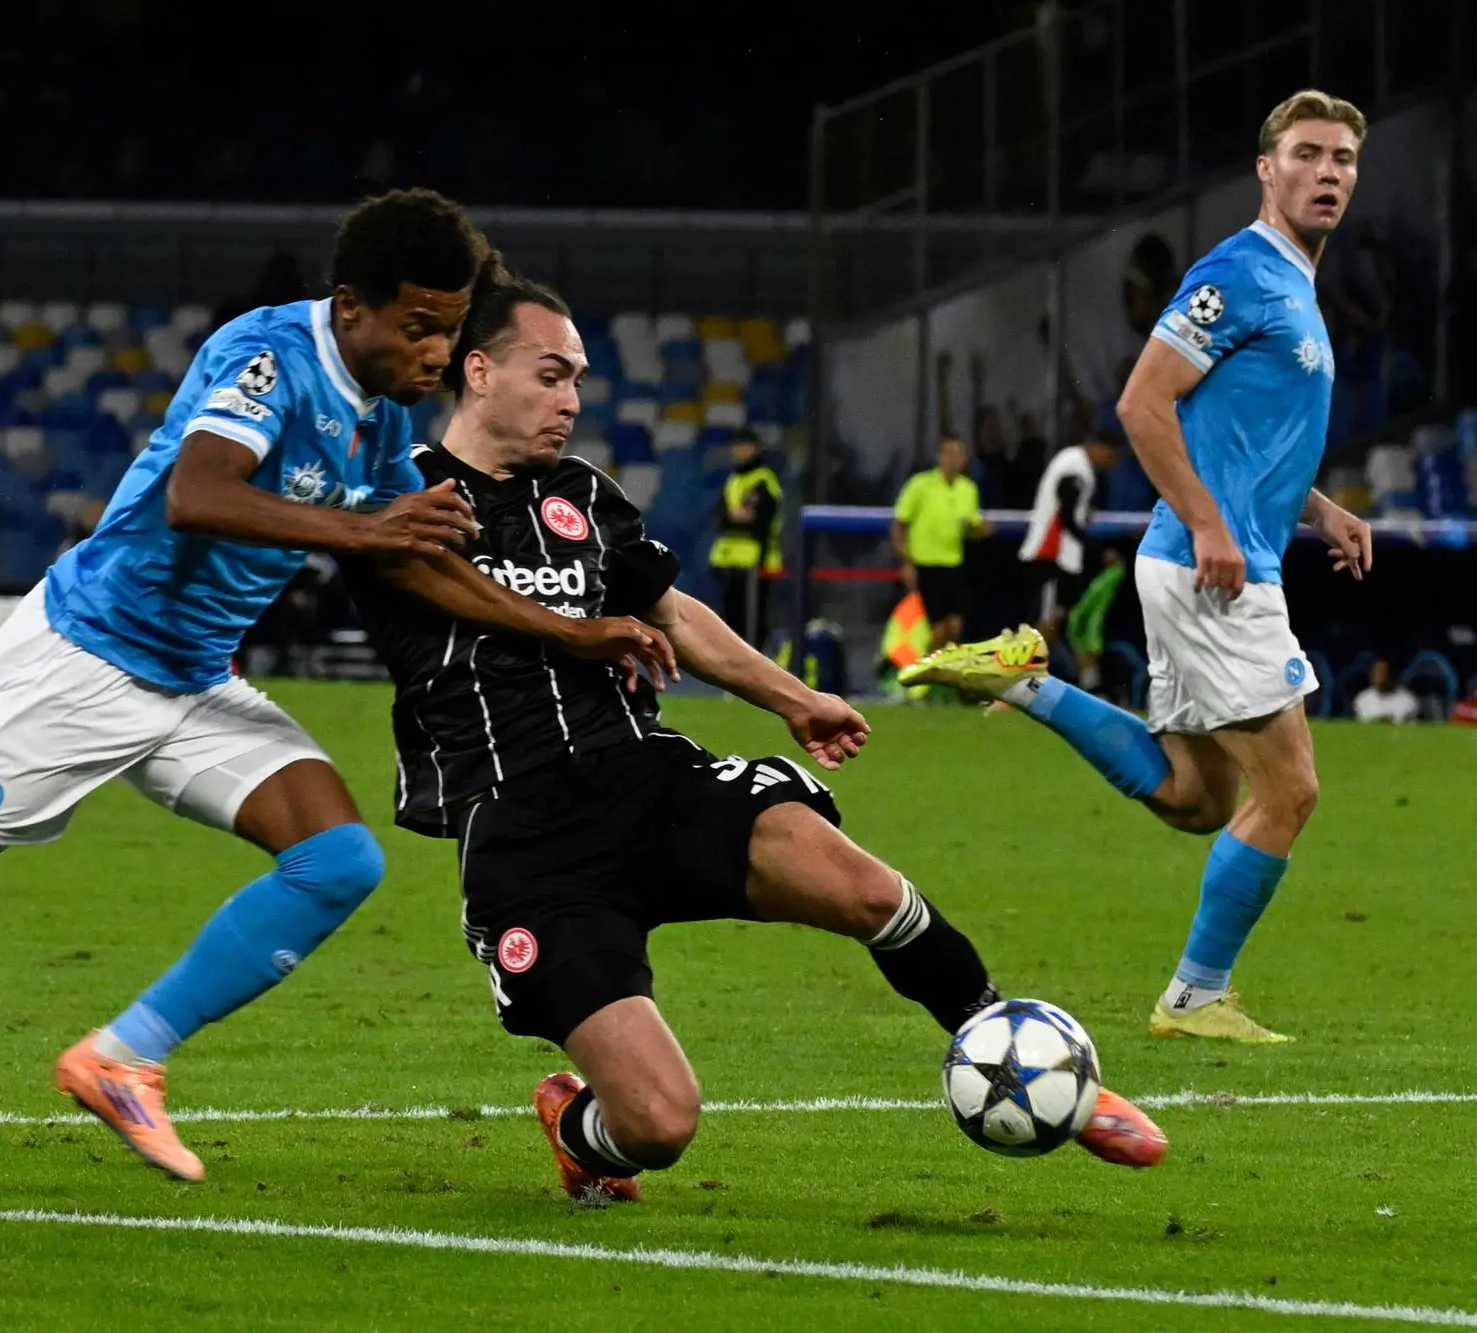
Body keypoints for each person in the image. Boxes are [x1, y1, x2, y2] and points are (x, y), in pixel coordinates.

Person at [0, 190, 674, 1188]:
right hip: (85, 657)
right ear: (351, 308)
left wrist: (574, 632)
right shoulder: (268, 356)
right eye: (418, 326)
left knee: (337, 858)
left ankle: (124, 1055)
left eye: (449, 328)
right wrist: (361, 528)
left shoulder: (380, 419)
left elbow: (410, 559)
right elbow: (199, 495)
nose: (436, 352)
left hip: (191, 682)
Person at [343, 265, 1166, 1203]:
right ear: (479, 370)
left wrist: (792, 697)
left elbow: (675, 613)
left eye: (577, 379)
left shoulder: (585, 496)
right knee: (658, 1124)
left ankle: (1028, 1061)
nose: (569, 399)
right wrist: (580, 632)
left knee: (867, 889)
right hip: (525, 835)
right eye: (550, 374)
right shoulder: (400, 496)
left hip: (644, 780)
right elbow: (417, 575)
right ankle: (579, 1128)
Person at [901, 90, 1374, 1044]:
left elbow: (1242, 438)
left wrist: (1317, 508)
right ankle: (1194, 998)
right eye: (1306, 154)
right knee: (1289, 790)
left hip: (1211, 559)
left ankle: (1025, 684)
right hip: (1214, 570)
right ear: (1265, 170)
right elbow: (1140, 403)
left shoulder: (1291, 282)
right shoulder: (1236, 272)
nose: (1326, 173)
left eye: (1342, 159)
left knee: (1197, 798)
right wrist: (1207, 524)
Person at [1016, 430, 1123, 687]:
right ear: (1099, 448)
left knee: (1058, 619)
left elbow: (1069, 509)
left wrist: (1084, 513)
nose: (1113, 463)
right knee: (1045, 622)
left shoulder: (1075, 464)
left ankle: (1040, 681)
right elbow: (1067, 518)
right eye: (1112, 455)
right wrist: (1100, 551)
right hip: (1050, 555)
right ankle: (1020, 681)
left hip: (1062, 557)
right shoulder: (1076, 468)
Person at [891, 436, 990, 650]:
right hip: (926, 566)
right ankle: (925, 666)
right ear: (940, 457)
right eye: (949, 454)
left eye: (958, 455)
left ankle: (943, 668)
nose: (953, 460)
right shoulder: (920, 485)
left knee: (955, 628)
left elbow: (969, 528)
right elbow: (898, 525)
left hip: (954, 566)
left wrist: (981, 531)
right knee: (935, 630)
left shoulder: (968, 489)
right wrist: (906, 562)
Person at [707, 428, 783, 648]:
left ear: (755, 449)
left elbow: (757, 517)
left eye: (744, 446)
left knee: (752, 620)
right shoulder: (734, 479)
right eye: (736, 446)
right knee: (730, 618)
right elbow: (720, 515)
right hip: (729, 560)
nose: (738, 451)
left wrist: (735, 517)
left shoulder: (763, 479)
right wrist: (733, 517)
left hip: (755, 559)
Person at [1351, 658, 1419, 724]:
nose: (1380, 676)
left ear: (1391, 675)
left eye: (1383, 672)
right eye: (1376, 672)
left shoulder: (1408, 700)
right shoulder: (1362, 699)